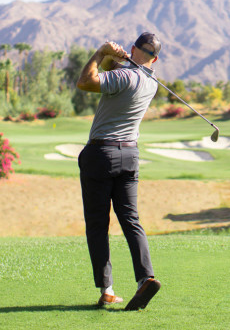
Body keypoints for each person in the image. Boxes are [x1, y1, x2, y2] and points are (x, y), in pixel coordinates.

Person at [75, 32, 163, 310]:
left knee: (98, 223)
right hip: (129, 155)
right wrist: (116, 59)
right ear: (156, 58)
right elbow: (117, 76)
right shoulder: (152, 82)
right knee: (130, 218)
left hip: (101, 154)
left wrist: (101, 53)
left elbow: (85, 81)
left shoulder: (124, 77)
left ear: (134, 48)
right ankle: (145, 278)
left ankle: (107, 290)